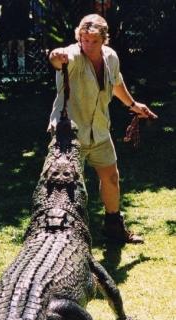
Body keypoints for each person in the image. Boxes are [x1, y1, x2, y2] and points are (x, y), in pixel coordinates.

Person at [49, 14, 158, 244]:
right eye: (84, 39)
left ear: (104, 40)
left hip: (99, 130)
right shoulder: (74, 56)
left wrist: (133, 105)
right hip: (69, 134)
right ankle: (62, 238)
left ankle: (113, 227)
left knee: (111, 178)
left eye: (93, 41)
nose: (87, 45)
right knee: (66, 186)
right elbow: (60, 59)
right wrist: (55, 56)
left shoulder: (111, 57)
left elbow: (116, 84)